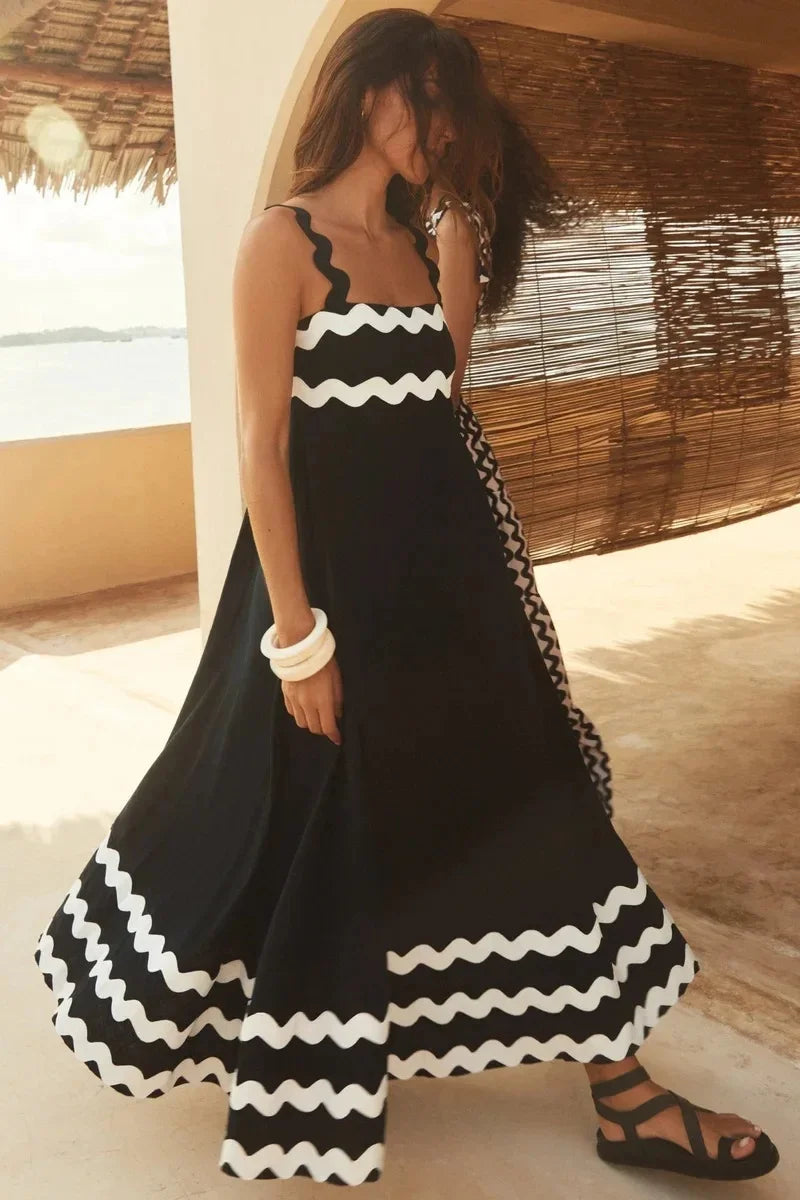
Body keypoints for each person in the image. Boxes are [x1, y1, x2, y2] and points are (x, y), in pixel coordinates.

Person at [33, 8, 779, 1187]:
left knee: (540, 802)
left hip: (448, 590)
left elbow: (437, 415)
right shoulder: (279, 242)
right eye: (425, 101)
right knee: (280, 819)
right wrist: (294, 638)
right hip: (322, 600)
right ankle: (302, 1066)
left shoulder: (436, 241)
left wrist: (460, 258)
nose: (440, 129)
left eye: (453, 110)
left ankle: (624, 1093)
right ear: (370, 90)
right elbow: (261, 446)